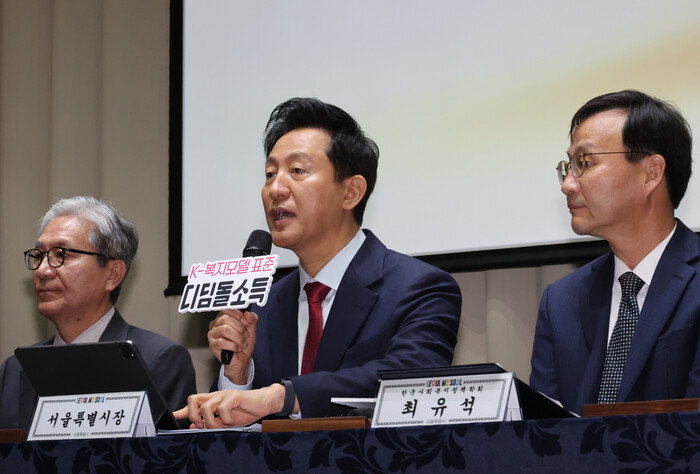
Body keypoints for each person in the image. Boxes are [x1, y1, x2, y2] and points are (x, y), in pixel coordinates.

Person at [175, 98, 461, 428]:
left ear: (351, 192)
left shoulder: (421, 288)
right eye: (270, 174)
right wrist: (239, 376)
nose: (275, 188)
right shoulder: (259, 307)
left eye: (297, 171)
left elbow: (409, 378)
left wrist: (282, 396)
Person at [530, 90, 699, 414]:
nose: (567, 185)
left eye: (584, 163)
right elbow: (543, 431)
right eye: (568, 167)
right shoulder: (561, 300)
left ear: (651, 172)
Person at [0, 196, 196, 430]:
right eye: (39, 255)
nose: (43, 270)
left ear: (113, 274)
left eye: (61, 254)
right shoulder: (14, 369)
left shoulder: (158, 360)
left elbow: (167, 451)